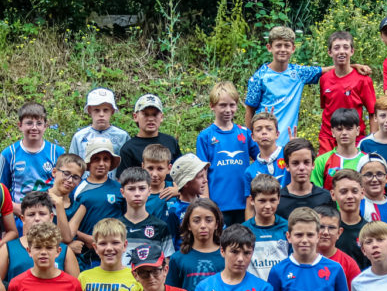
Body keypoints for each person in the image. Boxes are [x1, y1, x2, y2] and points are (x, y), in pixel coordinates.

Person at [243, 26, 325, 146]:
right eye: (278, 45)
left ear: (293, 48)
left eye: (286, 45)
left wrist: (354, 67)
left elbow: (325, 70)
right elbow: (249, 110)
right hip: (265, 143)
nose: (282, 49)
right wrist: (251, 143)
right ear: (269, 48)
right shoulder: (259, 77)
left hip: (288, 142)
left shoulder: (299, 73)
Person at [196, 81, 259, 225]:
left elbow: (262, 158)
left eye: (232, 105)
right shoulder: (205, 136)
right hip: (218, 205)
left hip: (245, 204)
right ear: (212, 106)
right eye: (222, 105)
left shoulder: (245, 133)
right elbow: (202, 172)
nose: (228, 110)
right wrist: (206, 203)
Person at [0, 189, 80, 282]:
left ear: (51, 217)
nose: (37, 219)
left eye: (42, 214)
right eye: (31, 214)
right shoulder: (8, 249)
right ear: (22, 218)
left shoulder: (64, 250)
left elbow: (76, 288)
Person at [0, 102, 65, 210]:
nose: (34, 127)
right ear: (20, 125)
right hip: (20, 215)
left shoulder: (57, 152)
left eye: (39, 123)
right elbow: (0, 191)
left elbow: (64, 186)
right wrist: (14, 208)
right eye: (29, 123)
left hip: (49, 214)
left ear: (45, 126)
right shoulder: (9, 154)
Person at [68, 137, 124, 269]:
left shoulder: (119, 189)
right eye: (96, 159)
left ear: (111, 163)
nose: (101, 163)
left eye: (106, 159)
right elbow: (66, 221)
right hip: (84, 254)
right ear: (88, 162)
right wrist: (85, 237)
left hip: (113, 253)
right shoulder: (76, 188)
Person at [318, 30, 376, 153]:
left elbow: (372, 112)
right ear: (330, 52)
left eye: (346, 47)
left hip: (354, 136)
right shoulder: (324, 79)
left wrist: (372, 140)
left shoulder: (363, 80)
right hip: (328, 136)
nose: (341, 52)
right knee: (326, 170)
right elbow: (326, 107)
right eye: (336, 48)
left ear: (352, 51)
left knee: (353, 171)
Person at [117, 166, 172, 266]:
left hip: (149, 280)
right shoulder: (114, 227)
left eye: (142, 188)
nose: (137, 193)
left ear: (149, 191)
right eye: (131, 189)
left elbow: (166, 264)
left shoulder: (160, 227)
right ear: (122, 192)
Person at [118, 93, 182, 175]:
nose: (151, 119)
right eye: (146, 114)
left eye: (155, 114)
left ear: (161, 117)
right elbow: (123, 180)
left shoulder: (171, 142)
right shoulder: (129, 149)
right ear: (135, 117)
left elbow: (181, 172)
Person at [243, 174, 289, 280]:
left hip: (281, 290)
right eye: (262, 201)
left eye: (272, 200)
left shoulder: (287, 228)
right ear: (252, 200)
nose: (268, 206)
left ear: (279, 199)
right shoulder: (244, 230)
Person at [277, 138, 333, 220]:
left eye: (306, 162)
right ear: (287, 166)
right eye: (295, 163)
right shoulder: (278, 199)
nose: (302, 168)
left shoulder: (326, 198)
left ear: (313, 164)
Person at [313, 109, 366, 189]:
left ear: (358, 130)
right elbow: (315, 195)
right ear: (333, 132)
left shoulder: (367, 160)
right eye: (339, 129)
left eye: (349, 129)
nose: (344, 133)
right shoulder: (321, 162)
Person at [69, 87, 130, 158]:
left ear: (112, 111)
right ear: (89, 111)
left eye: (106, 110)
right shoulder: (79, 137)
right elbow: (72, 163)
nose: (101, 114)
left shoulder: (122, 136)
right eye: (96, 110)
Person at [242, 111, 289, 198]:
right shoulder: (250, 171)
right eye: (259, 129)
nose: (264, 132)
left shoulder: (289, 156)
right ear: (253, 137)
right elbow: (250, 206)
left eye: (269, 129)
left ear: (277, 134)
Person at [358, 154, 387, 241]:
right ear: (360, 178)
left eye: (379, 174)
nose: (374, 179)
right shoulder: (358, 206)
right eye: (368, 174)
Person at [315, 206, 362, 288]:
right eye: (321, 227)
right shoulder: (299, 260)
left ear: (339, 233)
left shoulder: (349, 264)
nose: (326, 232)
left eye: (331, 228)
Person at [330, 169, 367, 268]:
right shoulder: (328, 231)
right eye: (343, 192)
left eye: (354, 191)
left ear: (362, 193)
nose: (350, 196)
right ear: (333, 195)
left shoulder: (370, 231)